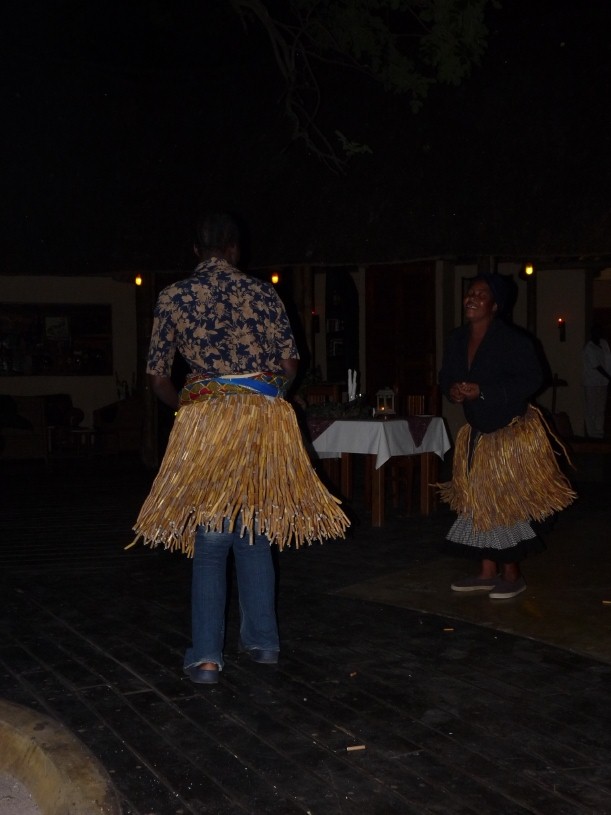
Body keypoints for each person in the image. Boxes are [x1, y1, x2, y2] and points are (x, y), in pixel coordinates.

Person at [132, 211, 349, 684]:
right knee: (254, 531)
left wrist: (193, 404)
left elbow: (157, 378)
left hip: (207, 423)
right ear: (235, 249)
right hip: (259, 423)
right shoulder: (262, 293)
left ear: (196, 250)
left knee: (211, 542)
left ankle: (207, 658)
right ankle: (264, 643)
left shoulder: (173, 296)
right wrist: (260, 394)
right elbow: (290, 364)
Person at [438, 273, 576, 599]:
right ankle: (487, 572)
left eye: (481, 294)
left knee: (503, 503)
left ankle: (512, 575)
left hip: (508, 433)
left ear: (495, 305)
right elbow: (446, 376)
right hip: (478, 433)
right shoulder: (457, 338)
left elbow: (532, 378)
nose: (471, 298)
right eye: (470, 293)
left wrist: (484, 391)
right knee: (478, 502)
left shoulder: (512, 340)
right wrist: (452, 390)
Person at [582, 323, 611, 439]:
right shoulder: (589, 348)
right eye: (596, 332)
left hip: (603, 382)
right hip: (591, 383)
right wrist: (609, 377)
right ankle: (591, 433)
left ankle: (599, 431)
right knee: (591, 408)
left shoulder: (604, 344)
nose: (598, 334)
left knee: (600, 408)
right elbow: (597, 366)